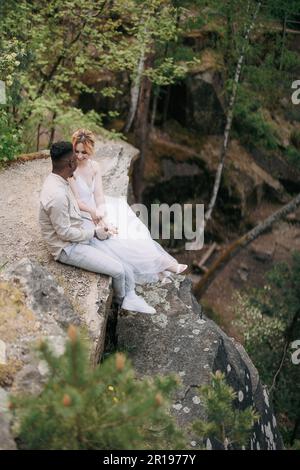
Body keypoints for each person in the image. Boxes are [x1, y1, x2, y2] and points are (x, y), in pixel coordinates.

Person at [39, 141, 158, 314]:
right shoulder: (56, 195)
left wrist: (99, 223)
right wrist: (94, 233)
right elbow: (63, 233)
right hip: (66, 248)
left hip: (76, 234)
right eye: (75, 158)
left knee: (122, 259)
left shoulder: (59, 180)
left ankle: (130, 296)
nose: (79, 161)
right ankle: (122, 303)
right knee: (118, 270)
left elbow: (73, 213)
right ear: (70, 163)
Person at [69, 128, 188, 288]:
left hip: (97, 209)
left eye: (84, 152)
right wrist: (94, 215)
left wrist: (102, 214)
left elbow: (98, 195)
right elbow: (77, 200)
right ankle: (162, 265)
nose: (80, 156)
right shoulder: (70, 169)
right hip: (81, 214)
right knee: (116, 241)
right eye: (77, 151)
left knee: (130, 231)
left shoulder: (94, 167)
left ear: (91, 150)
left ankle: (160, 269)